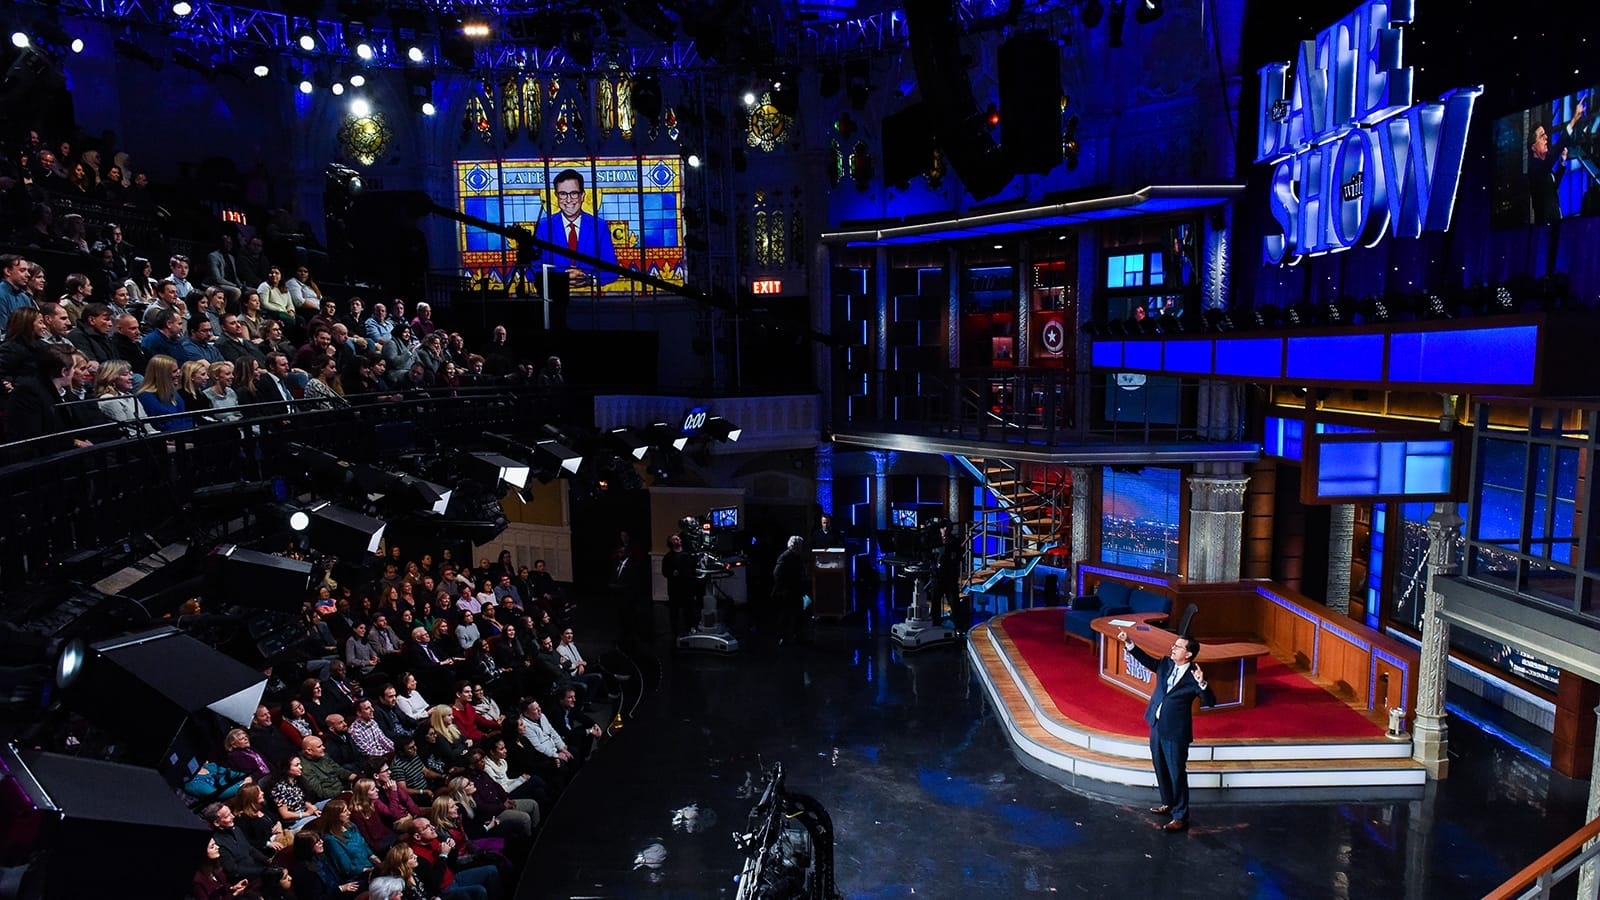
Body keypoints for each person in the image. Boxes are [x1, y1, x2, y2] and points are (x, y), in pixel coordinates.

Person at [1114, 629, 1216, 832]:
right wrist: (1130, 642)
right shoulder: (1166, 664)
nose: (1173, 648)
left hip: (1176, 731)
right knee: (1160, 765)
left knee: (1176, 772)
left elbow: (1211, 702)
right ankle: (1168, 802)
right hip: (1157, 724)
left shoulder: (1193, 677)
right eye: (1174, 645)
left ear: (1188, 654)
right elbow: (1146, 661)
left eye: (1178, 647)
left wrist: (1202, 683)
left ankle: (1180, 815)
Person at [533, 168, 619, 289]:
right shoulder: (543, 227)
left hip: (593, 301)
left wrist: (589, 280)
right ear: (556, 196)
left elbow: (612, 270)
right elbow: (532, 269)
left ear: (582, 195)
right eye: (563, 194)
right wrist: (560, 279)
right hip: (555, 300)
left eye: (574, 193)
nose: (568, 200)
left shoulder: (599, 227)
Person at [771, 535, 809, 645]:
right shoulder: (785, 557)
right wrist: (784, 587)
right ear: (796, 546)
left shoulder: (796, 556)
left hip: (796, 590)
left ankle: (797, 636)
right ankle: (784, 638)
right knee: (786, 616)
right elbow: (777, 574)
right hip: (788, 592)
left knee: (798, 614)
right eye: (800, 546)